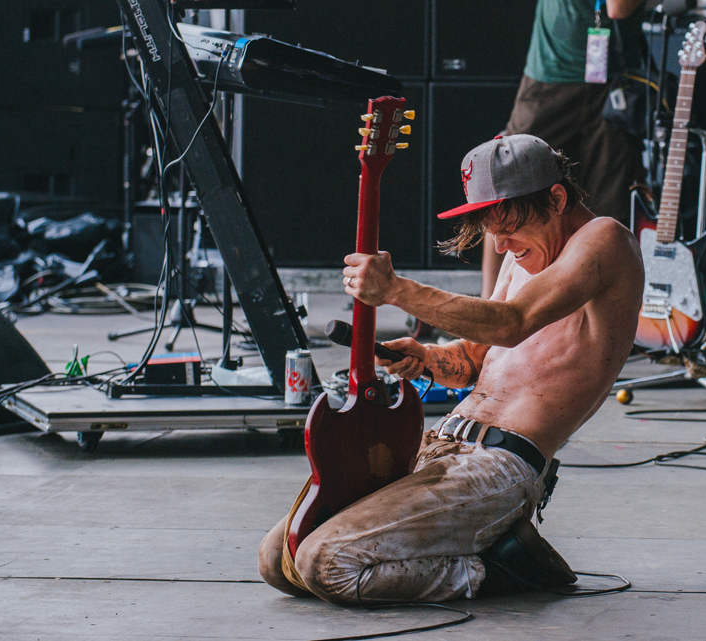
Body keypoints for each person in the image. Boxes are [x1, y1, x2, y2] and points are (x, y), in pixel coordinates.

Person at [258, 134, 644, 604]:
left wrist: (396, 289)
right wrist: (424, 358)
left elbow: (512, 323)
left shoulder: (605, 241)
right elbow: (472, 361)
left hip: (501, 464)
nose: (500, 245)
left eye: (509, 226)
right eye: (492, 230)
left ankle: (498, 567)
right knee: (279, 557)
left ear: (557, 198)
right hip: (440, 440)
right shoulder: (524, 252)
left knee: (325, 562)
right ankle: (479, 549)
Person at [481, 0, 647, 298]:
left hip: (598, 77)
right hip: (563, 74)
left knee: (599, 204)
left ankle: (499, 313)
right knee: (506, 187)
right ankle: (490, 314)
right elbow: (618, 8)